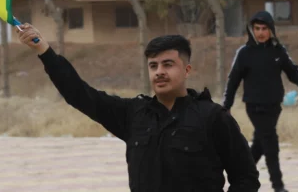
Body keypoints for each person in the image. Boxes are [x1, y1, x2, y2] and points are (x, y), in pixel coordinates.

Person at [15, 23, 260, 192]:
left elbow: (245, 178)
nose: (160, 72)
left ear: (186, 70)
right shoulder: (134, 114)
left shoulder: (213, 118)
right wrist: (44, 52)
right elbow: (80, 94)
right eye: (153, 66)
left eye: (168, 64)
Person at [222, 10, 298, 192]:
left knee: (260, 144)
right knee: (270, 143)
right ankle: (278, 186)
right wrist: (226, 106)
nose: (260, 32)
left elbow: (292, 70)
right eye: (257, 28)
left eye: (264, 28)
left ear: (271, 29)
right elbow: (233, 80)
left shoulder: (278, 51)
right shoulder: (244, 53)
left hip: (274, 105)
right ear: (252, 30)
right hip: (254, 106)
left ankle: (241, 178)